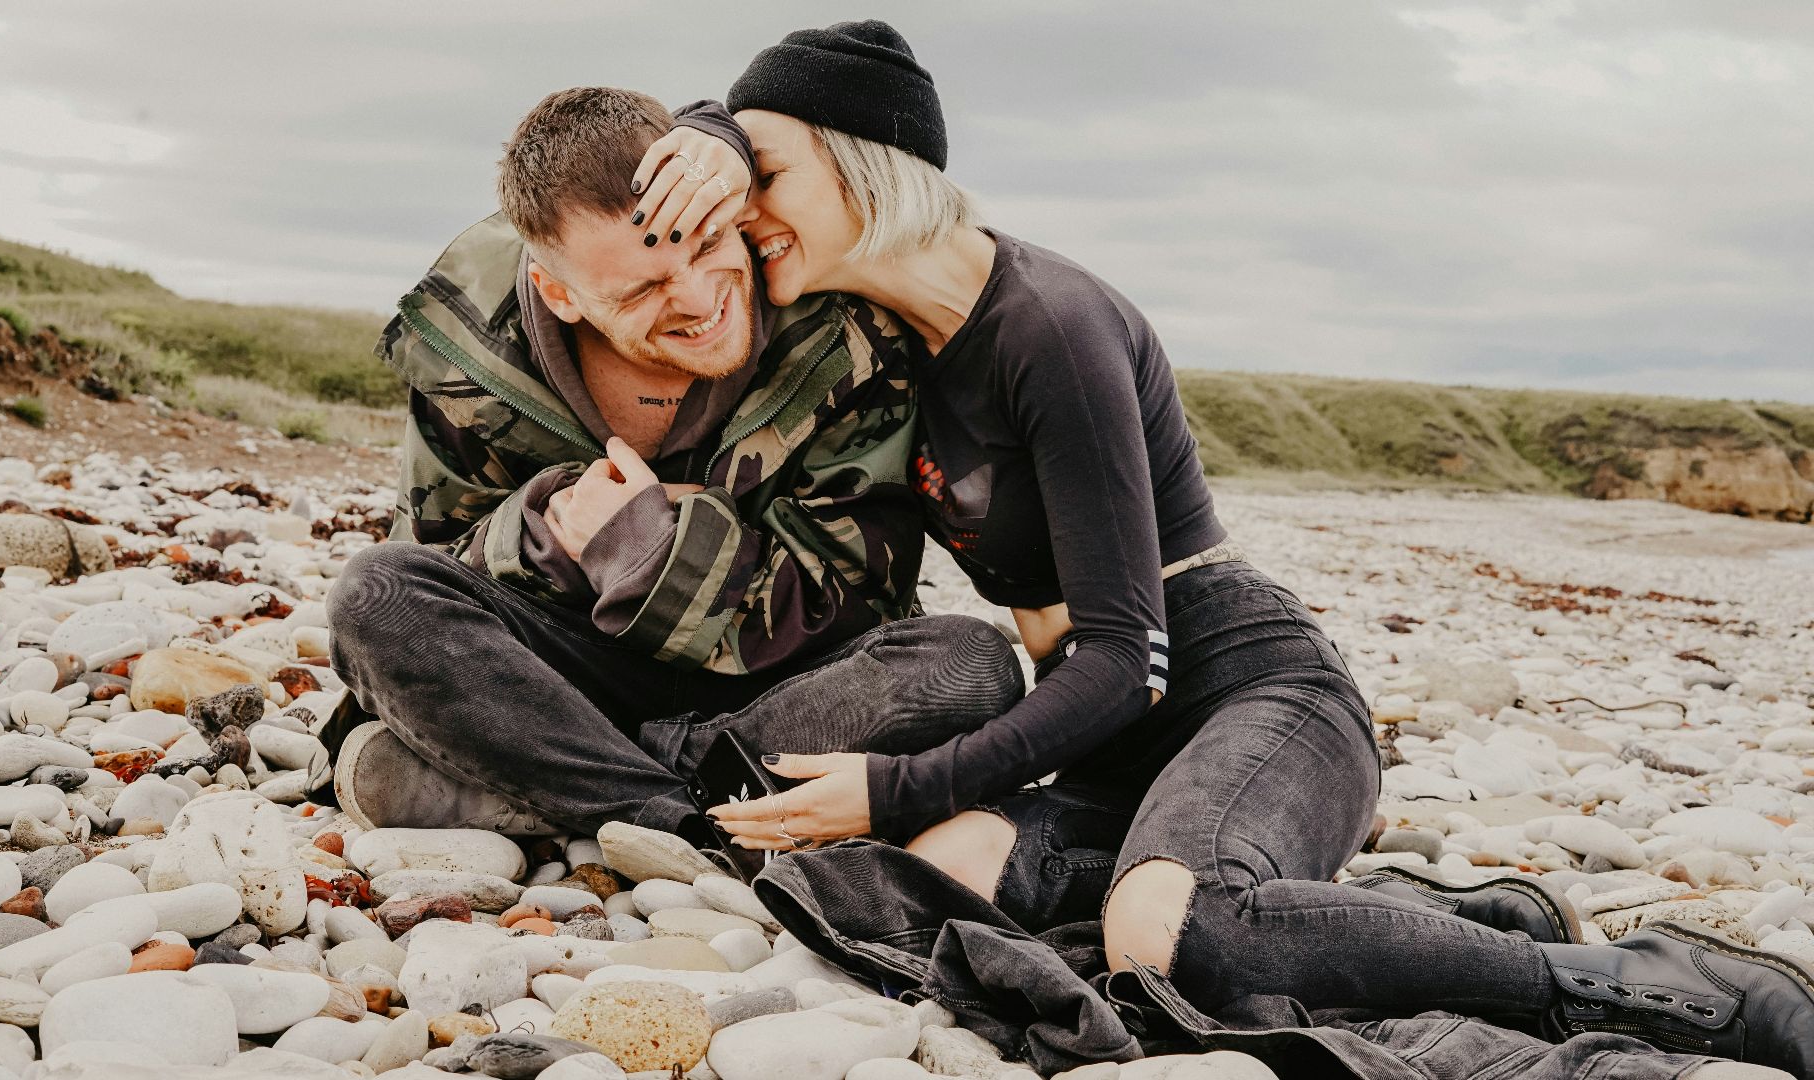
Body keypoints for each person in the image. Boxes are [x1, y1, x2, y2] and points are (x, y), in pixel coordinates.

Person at [633, 21, 1814, 1074]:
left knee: (1169, 934)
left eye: (764, 173)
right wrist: (715, 137)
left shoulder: (1050, 320)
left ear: (858, 162)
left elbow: (1126, 660)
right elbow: (673, 157)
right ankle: (1432, 919)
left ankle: (1654, 986)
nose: (735, 210)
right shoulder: (889, 336)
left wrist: (896, 781)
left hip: (1247, 687)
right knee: (945, 880)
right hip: (1112, 729)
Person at [317, 85, 1023, 847]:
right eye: (645, 288)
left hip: (776, 686)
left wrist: (649, 548)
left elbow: (855, 596)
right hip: (561, 674)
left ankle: (574, 791)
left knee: (970, 664)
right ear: (561, 294)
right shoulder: (470, 349)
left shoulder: (836, 331)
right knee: (376, 593)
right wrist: (543, 530)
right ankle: (695, 816)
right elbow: (437, 568)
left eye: (708, 245)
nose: (699, 299)